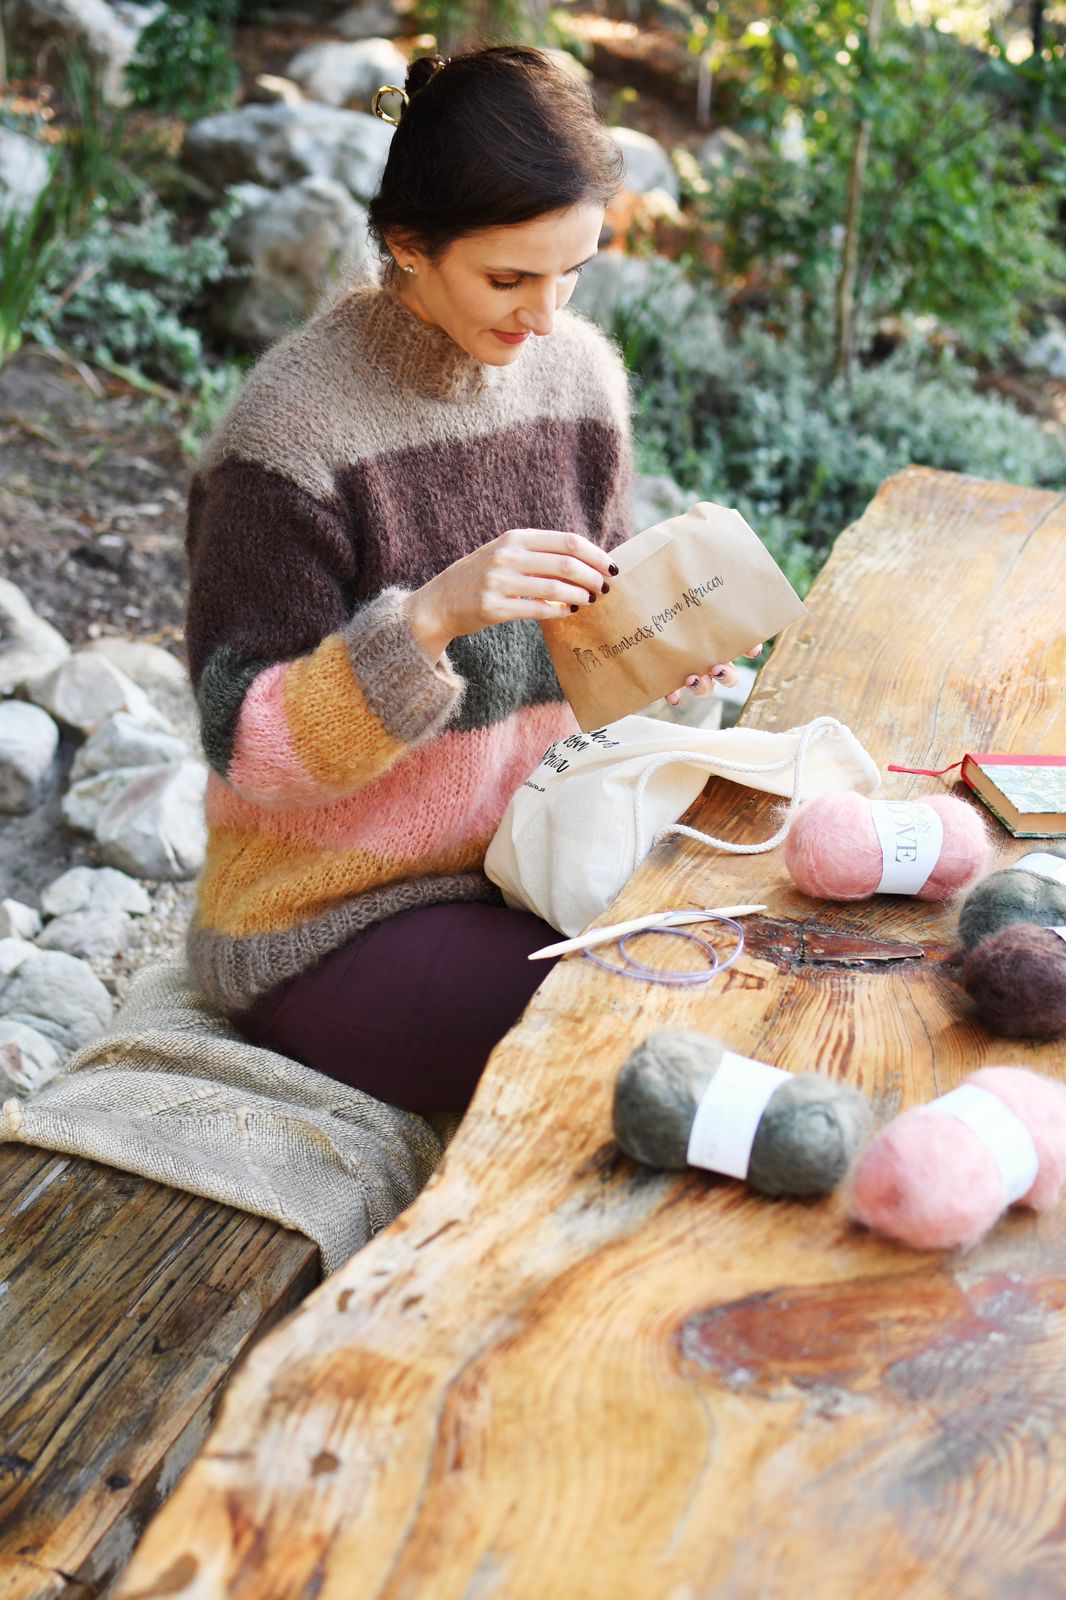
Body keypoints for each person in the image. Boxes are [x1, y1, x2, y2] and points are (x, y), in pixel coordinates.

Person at [184, 46, 745, 1115]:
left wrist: (667, 662)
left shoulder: (579, 377)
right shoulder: (287, 442)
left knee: (756, 967)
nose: (547, 315)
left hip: (538, 856)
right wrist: (432, 617)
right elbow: (246, 747)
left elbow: (589, 639)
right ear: (407, 244)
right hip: (328, 919)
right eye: (509, 279)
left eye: (572, 271)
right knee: (628, 1029)